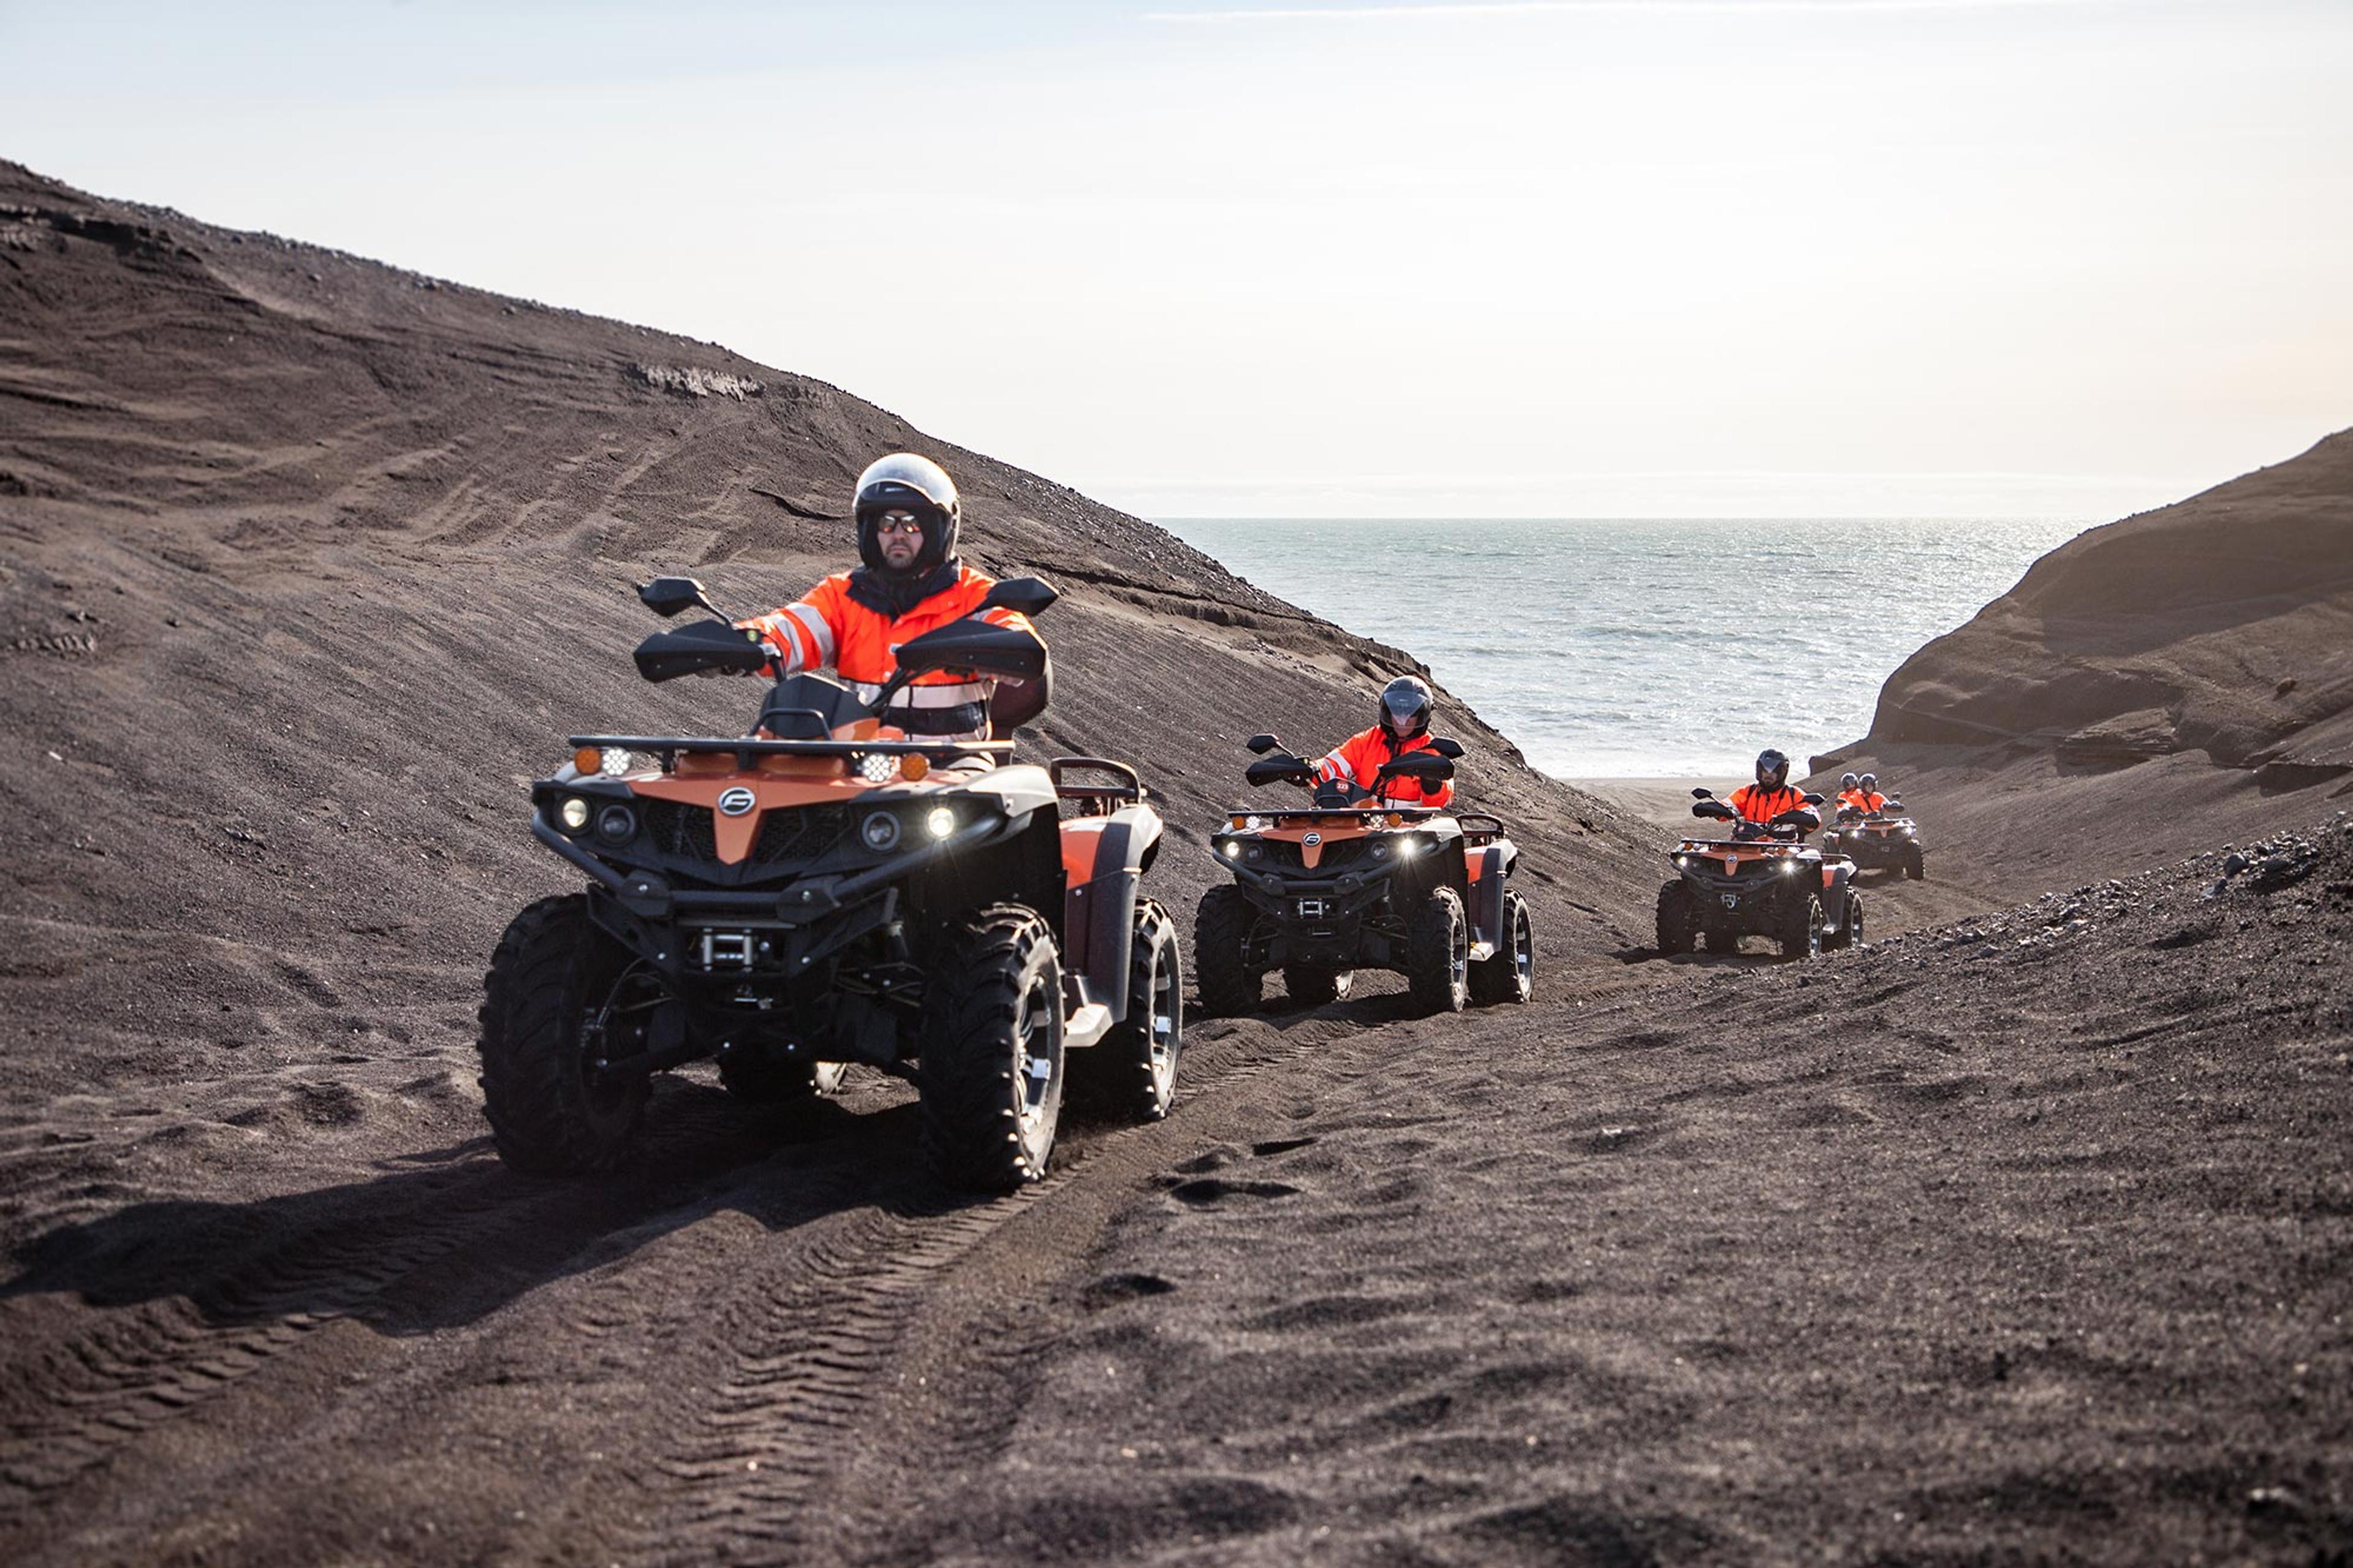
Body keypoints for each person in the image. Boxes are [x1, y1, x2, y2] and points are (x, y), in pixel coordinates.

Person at [732, 453, 1043, 743]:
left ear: (939, 530)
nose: (898, 534)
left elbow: (1020, 642)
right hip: (861, 764)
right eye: (886, 524)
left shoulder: (978, 597)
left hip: (956, 768)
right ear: (870, 531)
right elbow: (789, 630)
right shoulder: (844, 595)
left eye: (912, 524)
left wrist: (983, 647)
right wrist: (735, 644)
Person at [1308, 676, 1455, 809]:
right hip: (1365, 823)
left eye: (1411, 712)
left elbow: (1443, 801)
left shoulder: (1432, 751)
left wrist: (1432, 784)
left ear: (1423, 714)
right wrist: (1311, 769)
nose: (1402, 719)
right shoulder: (1367, 740)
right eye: (1396, 710)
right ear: (1387, 711)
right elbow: (1333, 765)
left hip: (1412, 828)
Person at [1724, 748, 1818, 833]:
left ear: (1782, 773)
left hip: (1783, 846)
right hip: (1749, 843)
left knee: (1798, 852)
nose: (1768, 775)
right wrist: (1718, 809)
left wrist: (1797, 817)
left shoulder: (1794, 795)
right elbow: (1729, 804)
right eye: (1765, 771)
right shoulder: (1749, 792)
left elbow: (1813, 817)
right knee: (1720, 850)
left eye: (1774, 772)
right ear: (1759, 771)